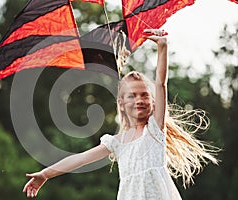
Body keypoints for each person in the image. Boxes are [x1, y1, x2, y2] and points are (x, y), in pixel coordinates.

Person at [22, 29, 218, 199]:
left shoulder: (155, 130)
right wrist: (46, 174)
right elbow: (80, 159)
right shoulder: (117, 142)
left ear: (152, 100)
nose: (139, 100)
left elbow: (161, 83)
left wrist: (162, 47)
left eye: (144, 95)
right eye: (132, 96)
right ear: (121, 104)